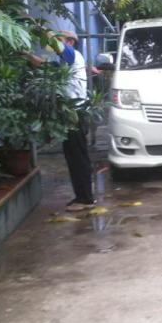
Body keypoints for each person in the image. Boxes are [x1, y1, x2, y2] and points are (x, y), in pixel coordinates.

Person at [50, 29, 95, 211]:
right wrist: (28, 55)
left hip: (75, 114)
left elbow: (60, 48)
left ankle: (85, 199)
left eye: (60, 40)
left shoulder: (73, 55)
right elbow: (43, 65)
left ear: (70, 42)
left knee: (78, 157)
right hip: (71, 114)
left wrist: (44, 32)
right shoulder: (65, 62)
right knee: (74, 156)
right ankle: (82, 197)